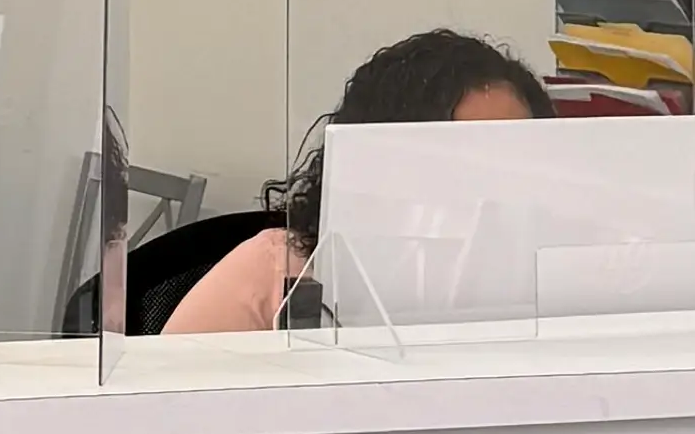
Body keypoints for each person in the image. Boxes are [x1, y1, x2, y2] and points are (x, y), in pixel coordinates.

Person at [165, 23, 547, 334]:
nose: (490, 183)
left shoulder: (553, 281)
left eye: (511, 156)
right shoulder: (280, 271)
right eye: (460, 159)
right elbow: (165, 397)